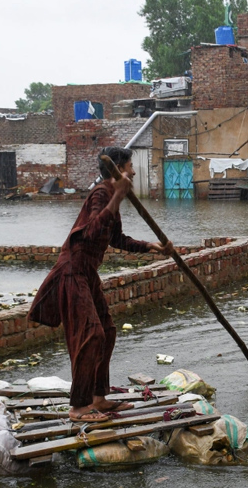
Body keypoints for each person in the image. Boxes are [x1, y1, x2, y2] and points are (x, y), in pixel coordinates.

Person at [28, 147, 173, 423]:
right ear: (118, 170)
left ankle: (98, 397)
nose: (132, 172)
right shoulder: (102, 194)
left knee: (106, 330)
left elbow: (116, 239)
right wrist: (117, 195)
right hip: (73, 271)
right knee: (91, 334)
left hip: (88, 273)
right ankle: (79, 407)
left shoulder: (111, 198)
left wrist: (151, 247)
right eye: (130, 167)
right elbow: (92, 230)